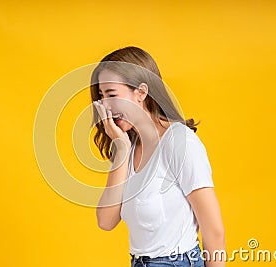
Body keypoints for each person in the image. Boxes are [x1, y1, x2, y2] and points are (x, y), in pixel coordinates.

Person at [91, 46, 225, 267]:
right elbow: (106, 221)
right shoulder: (129, 145)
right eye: (101, 96)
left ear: (141, 92)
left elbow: (214, 232)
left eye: (111, 94)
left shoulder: (179, 142)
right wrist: (121, 150)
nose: (104, 105)